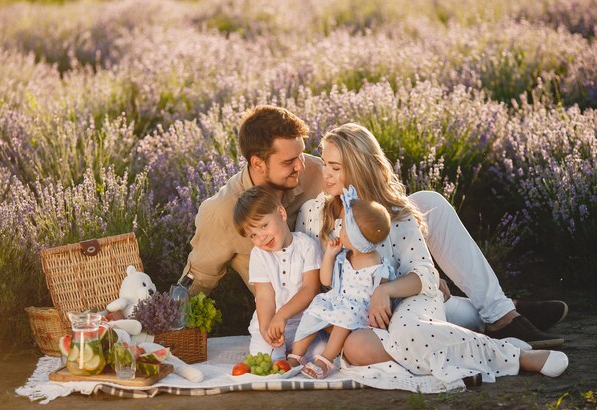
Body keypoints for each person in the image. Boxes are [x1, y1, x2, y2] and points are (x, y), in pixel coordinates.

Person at [179, 105, 566, 348]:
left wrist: (411, 265)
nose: (304, 168)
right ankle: (495, 313)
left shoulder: (311, 168)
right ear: (257, 162)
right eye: (289, 162)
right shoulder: (223, 211)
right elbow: (192, 283)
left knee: (427, 202)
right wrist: (159, 323)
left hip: (366, 266)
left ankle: (501, 315)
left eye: (303, 156)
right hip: (321, 298)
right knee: (422, 306)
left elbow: (373, 209)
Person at [295, 122, 568, 382]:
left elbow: (424, 275)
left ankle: (517, 356)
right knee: (356, 349)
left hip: (408, 303)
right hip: (359, 316)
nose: (325, 174)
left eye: (335, 167)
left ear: (360, 169)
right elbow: (319, 283)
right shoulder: (314, 214)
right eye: (324, 164)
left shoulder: (395, 214)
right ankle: (476, 340)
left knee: (410, 331)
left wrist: (385, 290)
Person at [288, 186, 395, 379]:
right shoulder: (344, 257)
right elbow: (325, 280)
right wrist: (329, 255)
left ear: (356, 237)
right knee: (315, 308)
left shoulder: (378, 268)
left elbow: (382, 299)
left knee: (345, 317)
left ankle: (325, 360)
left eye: (344, 227)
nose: (339, 229)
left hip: (358, 314)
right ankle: (296, 355)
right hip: (339, 301)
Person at [232, 185, 325, 360]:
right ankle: (280, 352)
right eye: (252, 235)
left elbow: (310, 289)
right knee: (267, 356)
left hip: (304, 324)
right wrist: (266, 327)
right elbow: (264, 296)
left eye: (264, 226)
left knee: (320, 353)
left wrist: (282, 316)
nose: (261, 238)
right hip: (272, 322)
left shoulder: (306, 246)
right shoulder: (259, 255)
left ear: (281, 214)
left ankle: (297, 355)